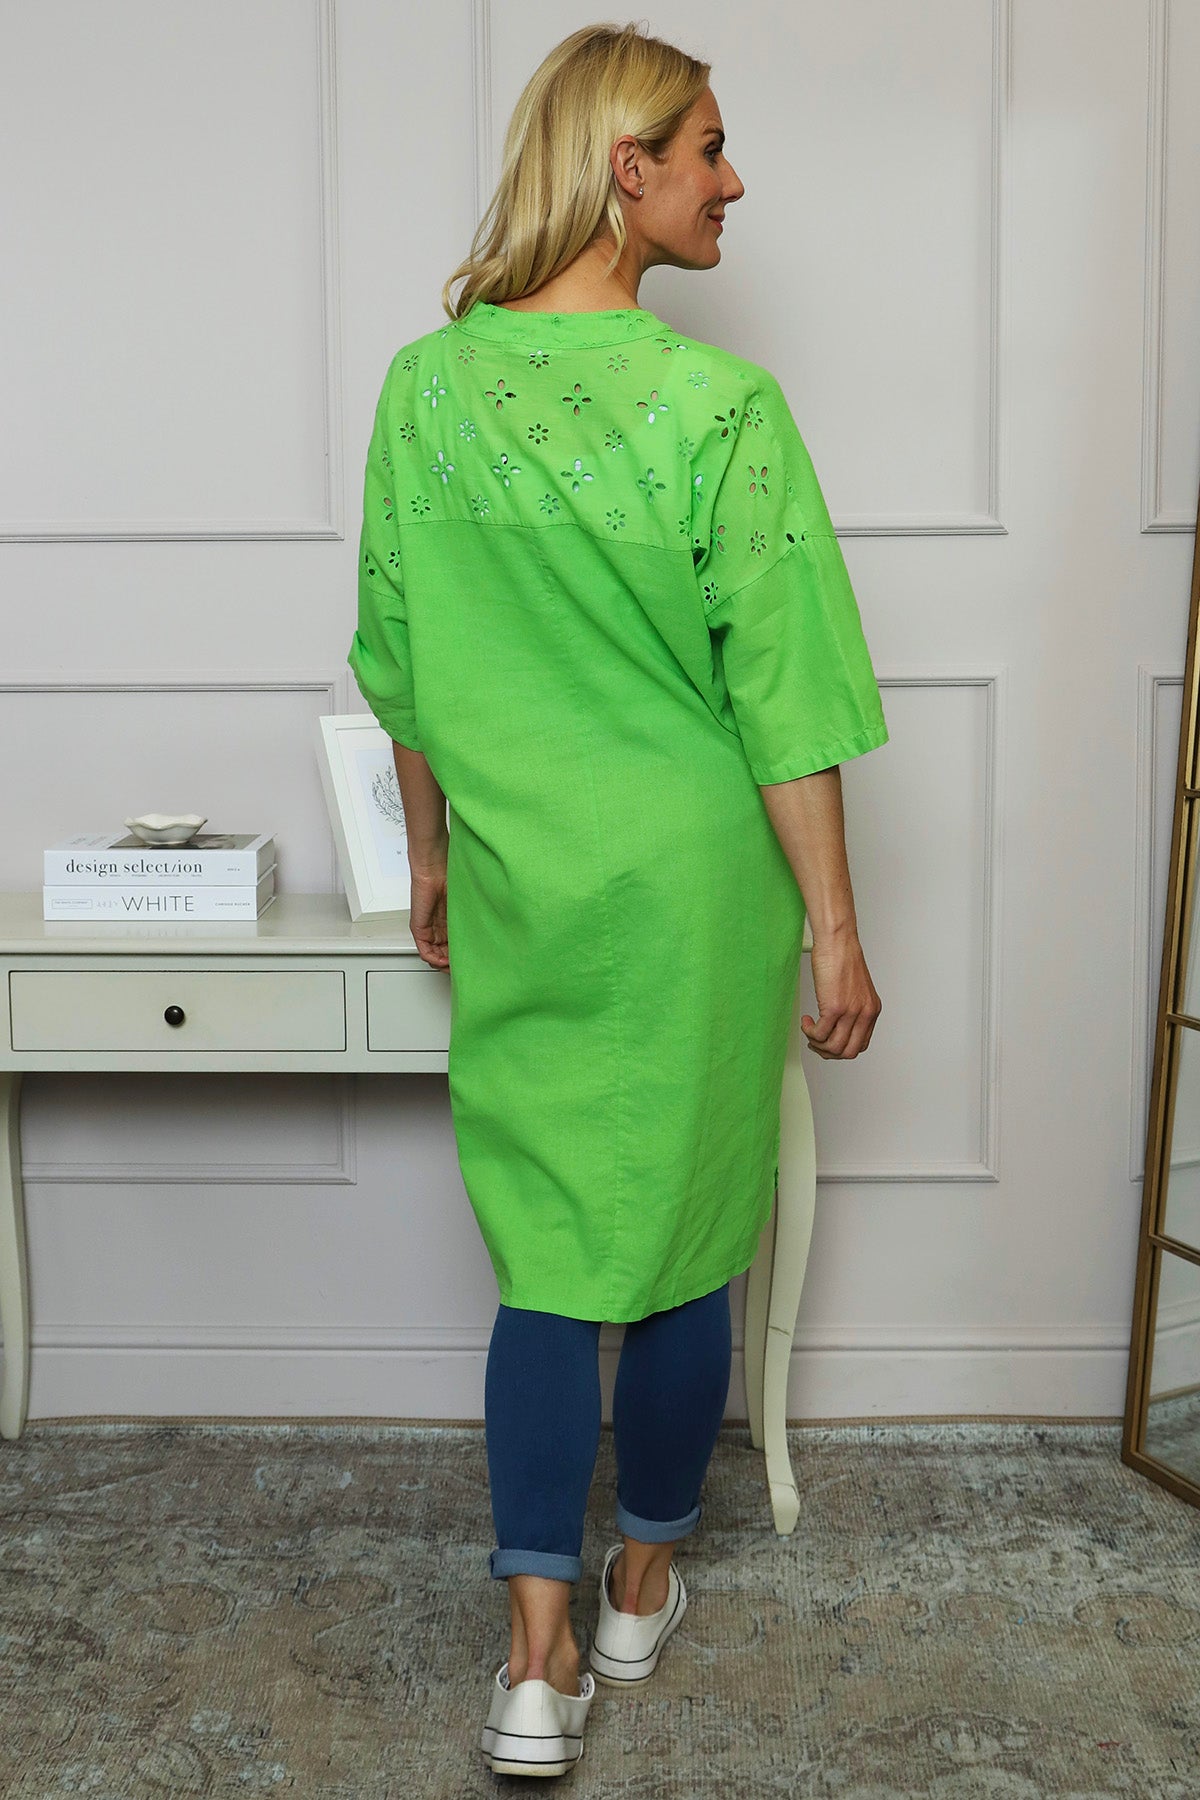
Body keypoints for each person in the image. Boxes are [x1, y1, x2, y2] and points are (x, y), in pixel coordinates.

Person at [347, 21, 888, 1779]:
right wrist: (833, 930)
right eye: (709, 148)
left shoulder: (423, 391)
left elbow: (400, 663)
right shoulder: (721, 410)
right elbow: (786, 698)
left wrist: (434, 854)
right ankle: (640, 1580)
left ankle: (534, 1658)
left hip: (527, 876)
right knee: (678, 1254)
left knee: (549, 1257)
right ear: (623, 168)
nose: (736, 182)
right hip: (694, 892)